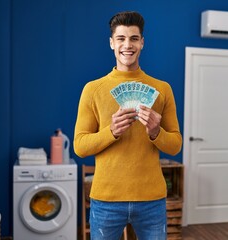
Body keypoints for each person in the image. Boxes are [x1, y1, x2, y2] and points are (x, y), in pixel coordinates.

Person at [74, 11, 182, 240]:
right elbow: (80, 146)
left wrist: (155, 132)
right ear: (112, 43)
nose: (127, 45)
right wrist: (111, 132)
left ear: (142, 42)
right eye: (121, 38)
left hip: (151, 199)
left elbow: (175, 146)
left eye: (134, 38)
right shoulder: (92, 89)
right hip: (106, 199)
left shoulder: (162, 89)